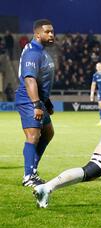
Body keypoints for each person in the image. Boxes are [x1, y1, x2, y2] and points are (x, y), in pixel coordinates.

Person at [15, 19, 55, 187]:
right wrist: (37, 105)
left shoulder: (40, 51)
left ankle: (32, 170)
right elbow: (30, 80)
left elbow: (40, 80)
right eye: (47, 32)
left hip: (39, 99)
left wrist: (47, 102)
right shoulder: (33, 53)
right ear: (37, 34)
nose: (51, 34)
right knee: (33, 136)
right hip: (29, 99)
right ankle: (28, 176)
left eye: (52, 31)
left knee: (48, 132)